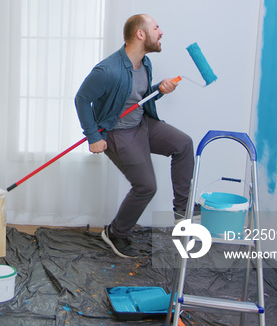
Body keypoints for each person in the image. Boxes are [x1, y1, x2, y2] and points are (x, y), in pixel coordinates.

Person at [74, 14, 195, 258]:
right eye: (156, 28)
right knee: (146, 186)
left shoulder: (145, 63)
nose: (161, 32)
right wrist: (93, 136)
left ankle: (183, 212)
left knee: (183, 143)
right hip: (118, 132)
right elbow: (82, 99)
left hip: (141, 123)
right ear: (141, 34)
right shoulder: (108, 70)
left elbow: (136, 98)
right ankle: (116, 233)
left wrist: (158, 90)